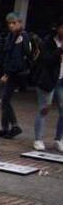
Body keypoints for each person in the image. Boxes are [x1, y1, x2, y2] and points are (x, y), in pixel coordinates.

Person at [0, 13, 33, 139]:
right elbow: (7, 54)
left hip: (14, 73)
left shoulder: (21, 36)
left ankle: (14, 126)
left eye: (14, 23)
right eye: (9, 23)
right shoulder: (12, 35)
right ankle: (6, 128)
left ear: (19, 23)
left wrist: (7, 74)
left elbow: (17, 58)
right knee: (4, 101)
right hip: (8, 70)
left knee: (5, 99)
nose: (11, 25)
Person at [32, 17, 63, 151]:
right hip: (48, 80)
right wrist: (60, 51)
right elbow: (46, 60)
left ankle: (58, 139)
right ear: (58, 28)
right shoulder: (47, 42)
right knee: (44, 109)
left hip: (62, 81)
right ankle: (38, 139)